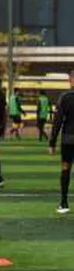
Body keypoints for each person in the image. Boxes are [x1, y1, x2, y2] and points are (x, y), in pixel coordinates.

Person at [49, 71, 74, 214]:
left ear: (71, 80)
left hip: (68, 138)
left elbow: (57, 121)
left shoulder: (65, 97)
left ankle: (64, 203)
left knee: (66, 168)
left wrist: (52, 142)